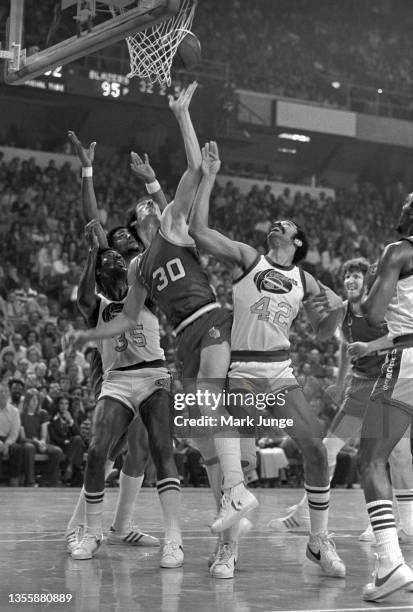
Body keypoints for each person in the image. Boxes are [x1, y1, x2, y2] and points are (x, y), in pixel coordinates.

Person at [69, 84, 258, 555]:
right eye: (145, 207)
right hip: (175, 341)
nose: (152, 205)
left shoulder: (174, 224)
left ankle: (232, 494)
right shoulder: (136, 266)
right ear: (136, 226)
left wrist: (182, 114)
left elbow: (193, 171)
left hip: (207, 322)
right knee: (194, 432)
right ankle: (225, 508)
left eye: (155, 201)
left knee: (198, 413)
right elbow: (126, 316)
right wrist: (87, 333)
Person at [188, 141, 346, 578]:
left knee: (315, 448)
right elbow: (199, 231)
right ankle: (227, 549)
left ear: (296, 242)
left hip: (279, 370)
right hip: (242, 367)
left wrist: (336, 308)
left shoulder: (305, 278)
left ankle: (318, 540)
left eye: (287, 223)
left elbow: (323, 332)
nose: (277, 222)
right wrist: (210, 176)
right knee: (234, 439)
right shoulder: (248, 258)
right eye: (275, 222)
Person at [268, 257, 413, 540]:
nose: (351, 281)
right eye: (347, 276)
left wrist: (369, 346)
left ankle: (397, 523)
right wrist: (339, 380)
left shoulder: (381, 308)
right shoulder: (343, 312)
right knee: (328, 449)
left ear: (366, 281)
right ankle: (304, 513)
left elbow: (400, 337)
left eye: (357, 276)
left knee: (396, 455)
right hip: (359, 387)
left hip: (388, 381)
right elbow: (346, 348)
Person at [68, 222, 181, 569]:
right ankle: (91, 531)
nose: (118, 258)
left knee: (159, 450)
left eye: (121, 255)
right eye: (110, 259)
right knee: (98, 449)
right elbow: (84, 294)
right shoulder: (95, 304)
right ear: (100, 274)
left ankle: (173, 539)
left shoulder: (142, 289)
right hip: (116, 380)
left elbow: (159, 255)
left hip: (154, 375)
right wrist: (93, 252)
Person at [357, 193, 413, 600]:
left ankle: (390, 561)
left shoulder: (398, 250)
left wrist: (370, 292)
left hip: (407, 360)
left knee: (371, 458)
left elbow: (373, 313)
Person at [20, 388, 64, 486]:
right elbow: (23, 437)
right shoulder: (21, 415)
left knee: (57, 451)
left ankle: (48, 480)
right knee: (29, 448)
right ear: (27, 400)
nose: (35, 402)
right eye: (32, 399)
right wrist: (36, 442)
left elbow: (44, 433)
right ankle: (29, 481)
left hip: (40, 442)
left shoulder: (43, 413)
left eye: (37, 399)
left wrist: (43, 442)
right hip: (28, 442)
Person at [0, 383, 22, 486]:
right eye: (0, 392)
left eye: (5, 392)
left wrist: (7, 444)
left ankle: (14, 479)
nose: (3, 394)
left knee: (17, 448)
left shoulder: (14, 411)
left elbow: (15, 432)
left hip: (10, 438)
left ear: (9, 394)